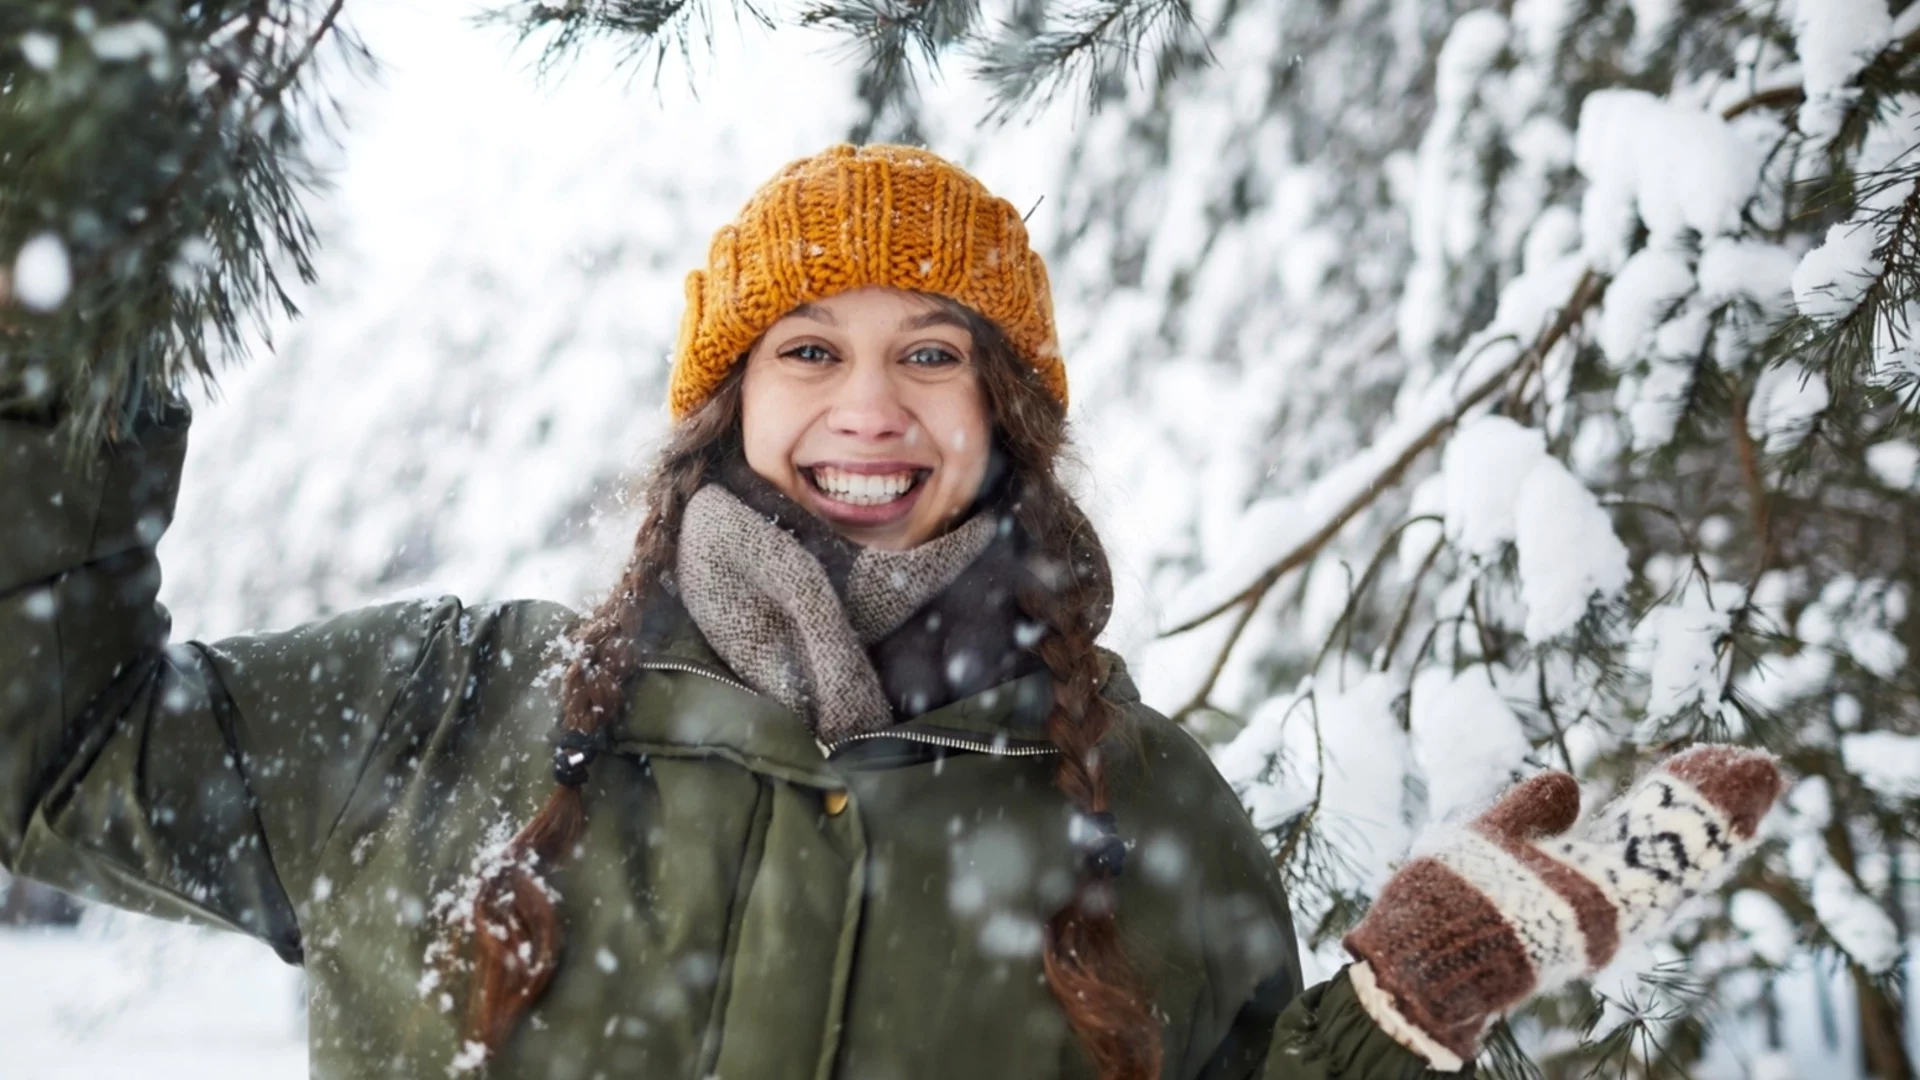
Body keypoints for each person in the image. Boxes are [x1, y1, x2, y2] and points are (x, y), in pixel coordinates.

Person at [0, 143, 1782, 1079]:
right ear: (730, 401)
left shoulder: (1142, 815)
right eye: (811, 350)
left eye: (935, 353)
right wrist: (53, 349)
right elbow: (56, 760)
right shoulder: (445, 708)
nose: (873, 407)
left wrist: (1395, 1025)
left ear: (1005, 415)